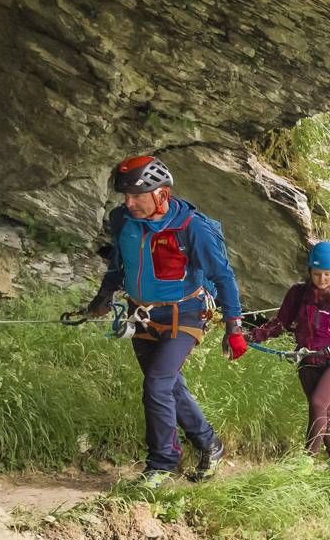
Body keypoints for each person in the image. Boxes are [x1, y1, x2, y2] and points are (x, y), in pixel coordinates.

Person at [72, 155, 247, 488]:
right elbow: (118, 265)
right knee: (167, 385)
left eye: (137, 196)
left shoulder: (192, 227)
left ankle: (162, 464)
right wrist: (103, 298)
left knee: (156, 384)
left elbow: (223, 276)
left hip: (186, 313)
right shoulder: (122, 220)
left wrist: (234, 327)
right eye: (125, 195)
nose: (129, 202)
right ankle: (210, 444)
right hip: (141, 314)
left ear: (163, 195)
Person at [250, 241, 330, 467]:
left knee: (317, 403)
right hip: (308, 360)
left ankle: (308, 458)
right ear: (309, 272)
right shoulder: (298, 294)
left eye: (326, 274)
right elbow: (280, 323)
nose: (322, 279)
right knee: (324, 410)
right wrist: (254, 335)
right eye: (316, 274)